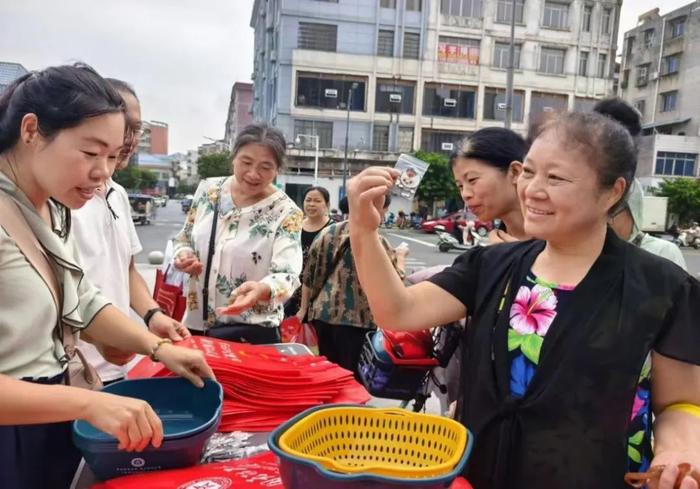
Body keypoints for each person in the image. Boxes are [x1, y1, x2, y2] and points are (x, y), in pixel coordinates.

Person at [347, 111, 700, 489]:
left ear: (612, 192)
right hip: (485, 472)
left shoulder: (662, 287)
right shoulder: (491, 265)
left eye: (556, 178)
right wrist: (363, 231)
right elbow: (397, 310)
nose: (532, 190)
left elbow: (679, 403)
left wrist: (680, 452)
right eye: (528, 172)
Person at [0, 64, 214, 489]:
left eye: (113, 156)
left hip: (49, 415)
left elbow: (82, 297)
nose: (103, 173)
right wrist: (86, 404)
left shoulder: (50, 206)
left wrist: (156, 347)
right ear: (31, 130)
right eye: (90, 152)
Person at [72, 78, 190, 384]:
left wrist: (153, 316)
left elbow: (127, 270)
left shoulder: (117, 194)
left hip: (117, 364)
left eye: (137, 129)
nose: (129, 138)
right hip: (69, 371)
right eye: (124, 126)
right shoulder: (61, 198)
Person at [172, 123, 303, 343]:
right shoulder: (208, 190)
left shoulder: (286, 213)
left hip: (250, 333)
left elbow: (287, 275)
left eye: (265, 167)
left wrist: (262, 289)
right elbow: (184, 237)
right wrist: (183, 255)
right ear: (234, 157)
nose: (253, 174)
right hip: (196, 325)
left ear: (277, 169)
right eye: (246, 162)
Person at [299, 195, 407, 381]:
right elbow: (396, 281)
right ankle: (347, 410)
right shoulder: (376, 242)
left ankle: (328, 408)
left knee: (328, 373)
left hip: (323, 316)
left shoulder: (327, 233)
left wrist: (303, 310)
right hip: (358, 320)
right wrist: (401, 256)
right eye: (384, 208)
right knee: (352, 378)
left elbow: (309, 277)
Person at [450, 127, 529, 244]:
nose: (465, 194)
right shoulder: (481, 256)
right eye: (460, 186)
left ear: (515, 172)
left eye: (472, 180)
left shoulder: (559, 245)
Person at [284, 185, 331, 318]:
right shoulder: (294, 226)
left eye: (317, 201)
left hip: (321, 289)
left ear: (327, 204)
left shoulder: (333, 230)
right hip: (293, 288)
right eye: (308, 200)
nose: (311, 204)